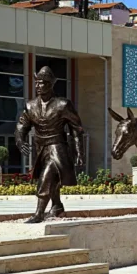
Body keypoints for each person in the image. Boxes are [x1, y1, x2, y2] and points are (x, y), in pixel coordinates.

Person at [15, 67, 85, 223]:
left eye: (43, 83)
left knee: (46, 178)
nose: (39, 86)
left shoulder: (63, 104)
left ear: (51, 84)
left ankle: (39, 213)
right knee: (50, 178)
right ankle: (57, 206)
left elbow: (77, 129)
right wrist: (20, 140)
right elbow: (21, 126)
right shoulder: (30, 105)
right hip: (40, 148)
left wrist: (80, 153)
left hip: (57, 147)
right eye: (37, 83)